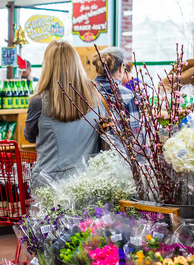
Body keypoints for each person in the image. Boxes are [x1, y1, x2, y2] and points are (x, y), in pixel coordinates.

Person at [24, 40, 102, 188]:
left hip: (49, 182)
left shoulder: (38, 102)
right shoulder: (95, 96)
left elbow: (29, 136)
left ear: (47, 66)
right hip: (87, 180)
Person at [92, 47, 140, 135]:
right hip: (116, 147)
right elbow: (136, 133)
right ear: (121, 67)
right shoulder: (128, 95)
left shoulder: (84, 91)